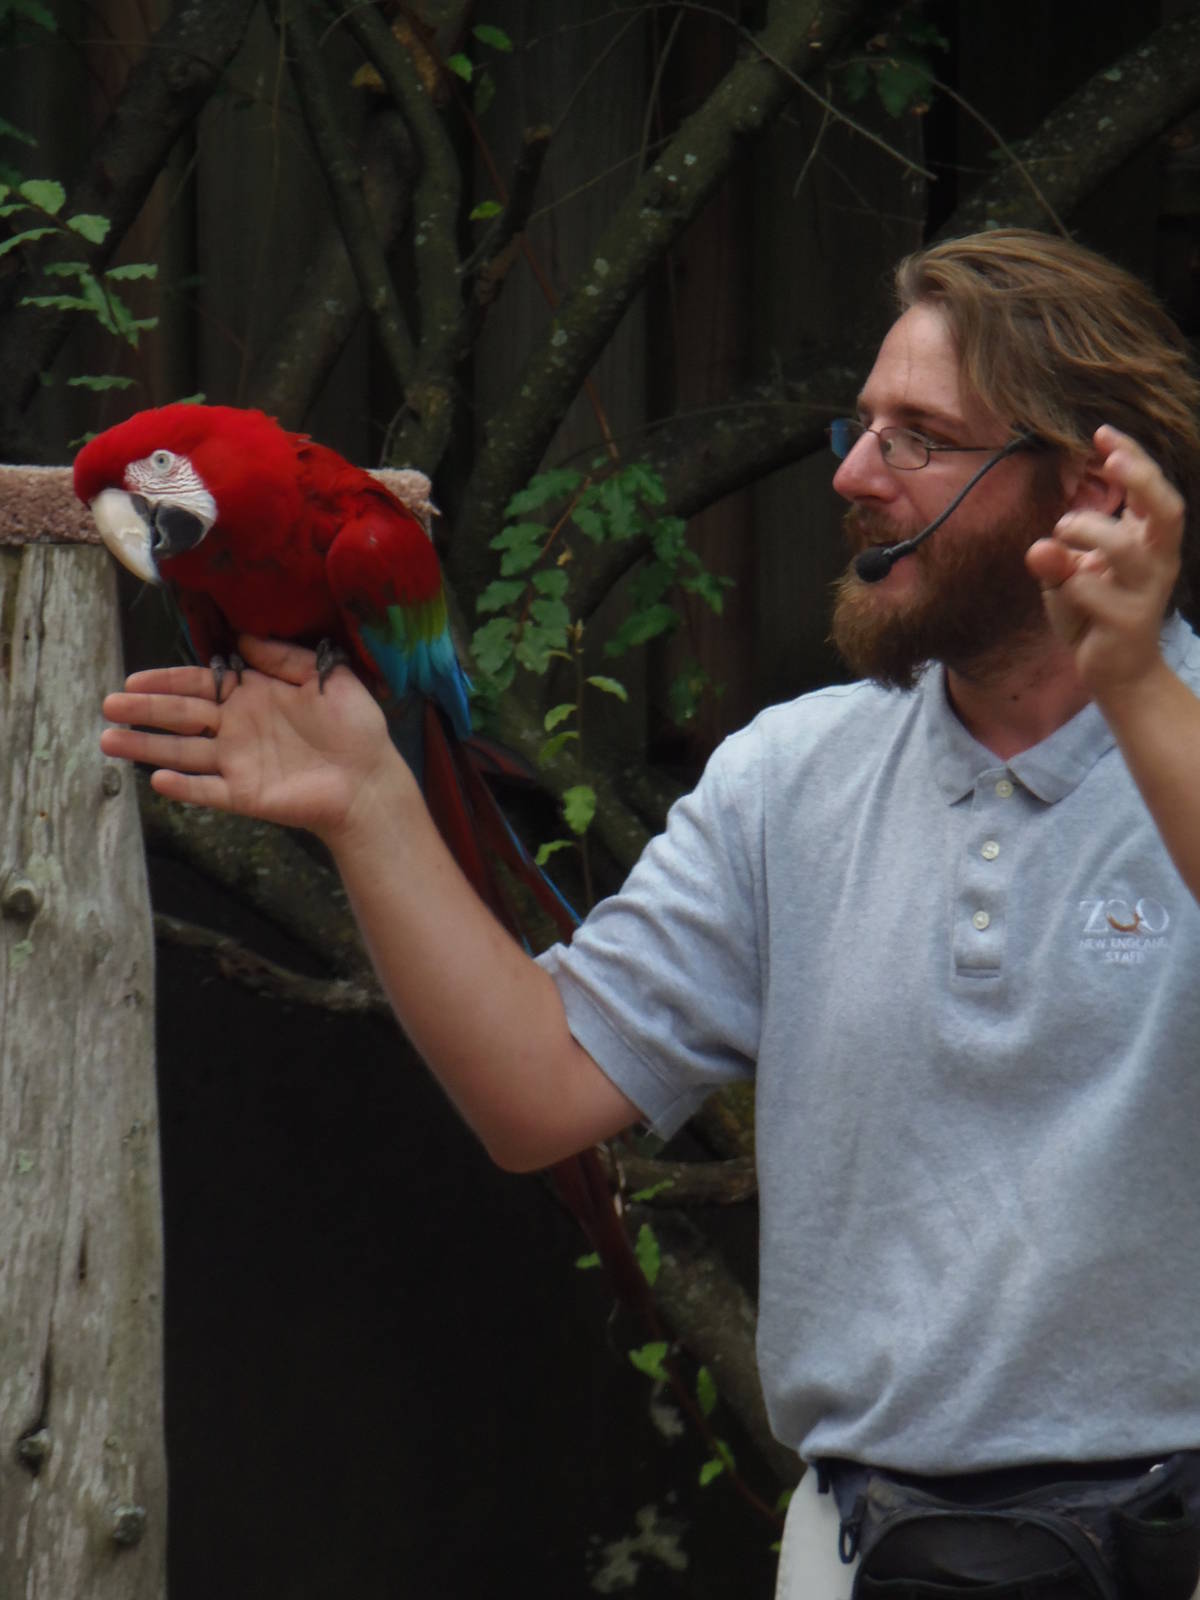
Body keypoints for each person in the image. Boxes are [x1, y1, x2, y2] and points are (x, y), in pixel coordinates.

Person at [100, 230, 1200, 1597]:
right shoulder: (790, 778)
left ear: (1092, 485)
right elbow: (538, 1090)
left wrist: (1138, 682)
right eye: (856, 426)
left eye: (919, 440)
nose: (852, 476)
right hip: (862, 1554)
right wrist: (366, 804)